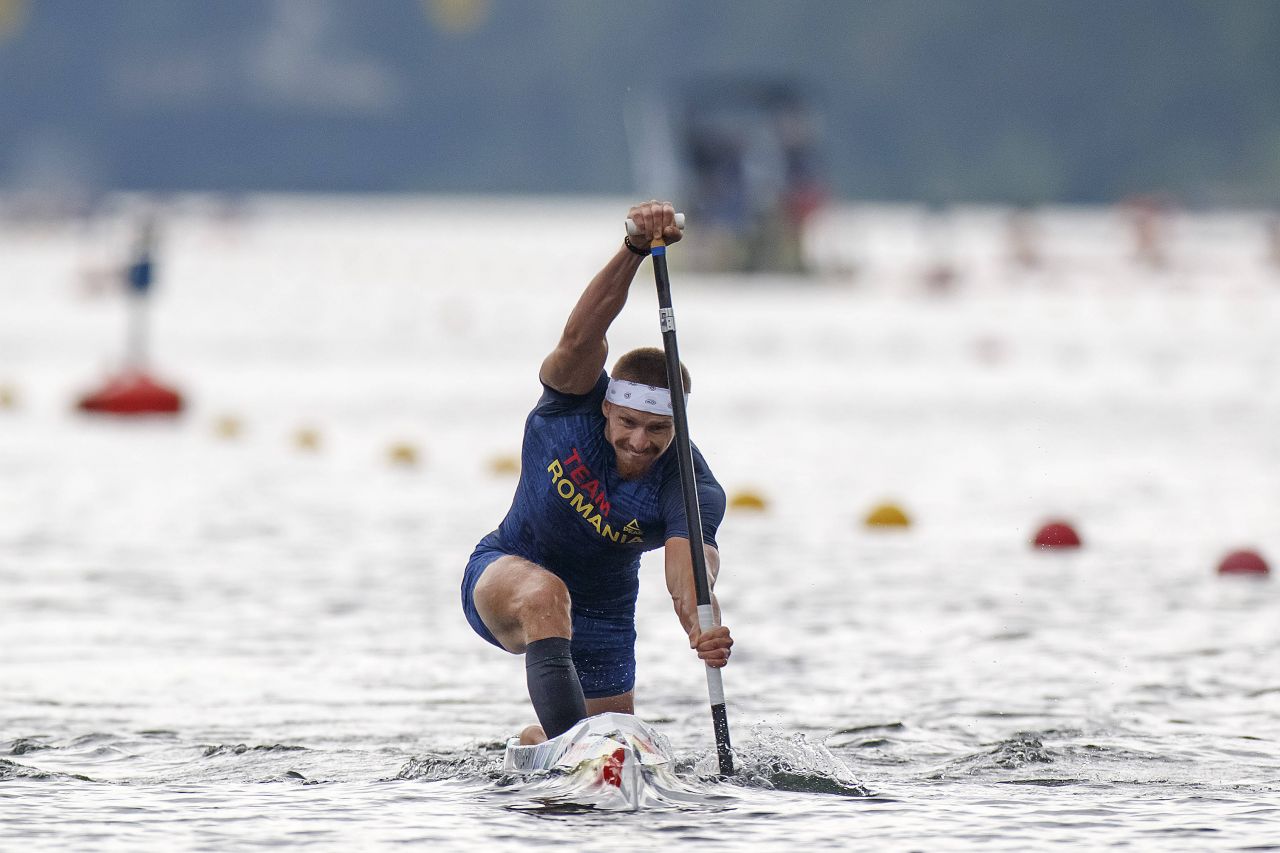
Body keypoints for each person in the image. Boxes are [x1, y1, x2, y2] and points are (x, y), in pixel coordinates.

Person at [461, 201, 734, 745]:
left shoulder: (689, 483)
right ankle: (569, 752)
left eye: (658, 430)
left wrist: (703, 623)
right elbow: (583, 338)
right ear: (607, 406)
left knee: (617, 745)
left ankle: (538, 747)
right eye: (629, 422)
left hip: (606, 617)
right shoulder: (571, 404)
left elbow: (689, 568)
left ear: (678, 428)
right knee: (546, 594)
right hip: (508, 572)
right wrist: (634, 249)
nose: (640, 441)